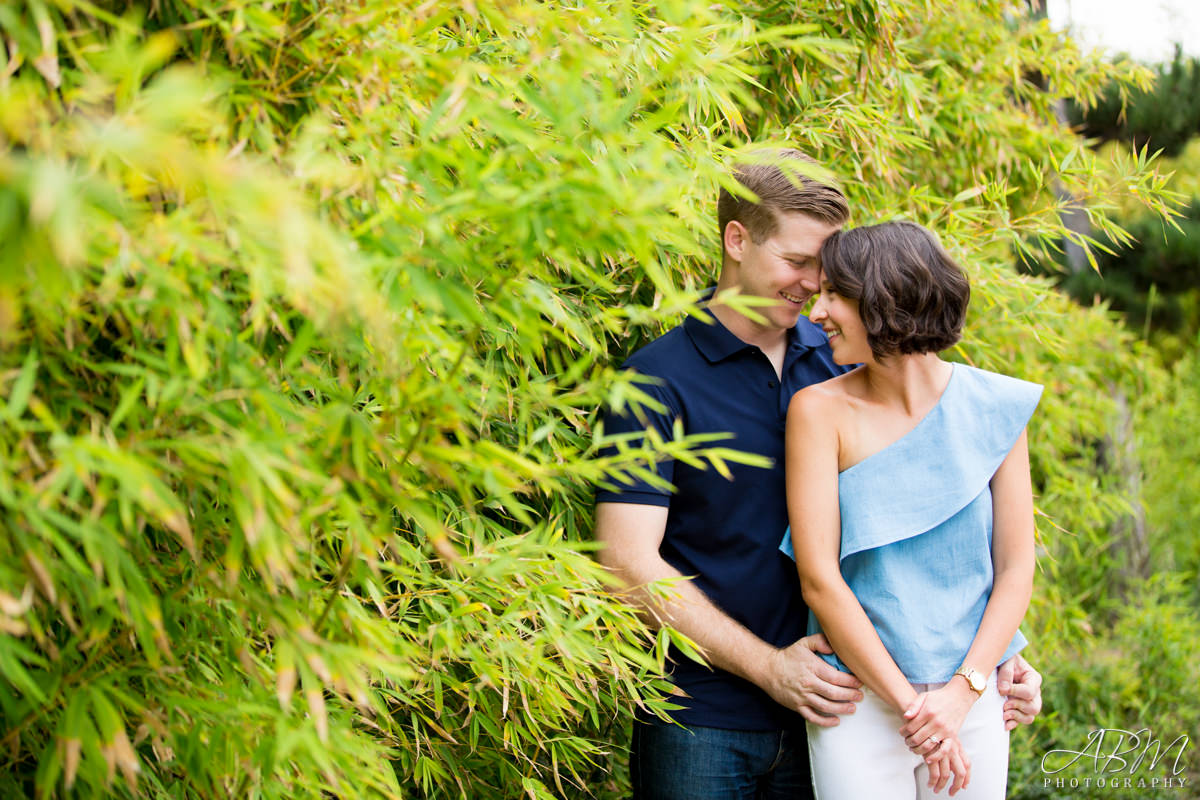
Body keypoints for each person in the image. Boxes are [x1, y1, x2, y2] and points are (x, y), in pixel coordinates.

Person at [594, 151, 1043, 799]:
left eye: (827, 272)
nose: (812, 287)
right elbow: (625, 562)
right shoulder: (653, 381)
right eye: (797, 262)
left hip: (849, 711)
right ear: (736, 239)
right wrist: (770, 669)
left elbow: (929, 537)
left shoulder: (848, 363)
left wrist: (993, 661)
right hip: (703, 716)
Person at [783, 221, 1041, 799]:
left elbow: (1015, 569)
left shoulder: (996, 406)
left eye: (833, 294)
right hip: (858, 699)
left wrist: (963, 693)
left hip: (971, 692)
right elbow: (820, 580)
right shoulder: (817, 412)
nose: (815, 312)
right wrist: (915, 709)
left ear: (882, 296)